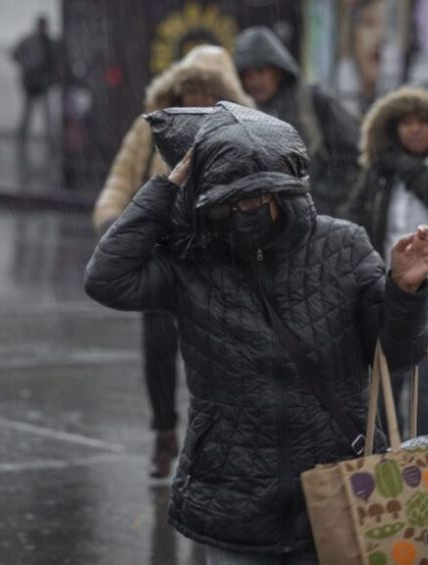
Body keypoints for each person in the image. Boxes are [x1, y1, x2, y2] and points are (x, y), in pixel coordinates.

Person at [84, 102, 428, 562]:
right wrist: (169, 185)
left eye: (256, 198)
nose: (244, 211)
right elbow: (106, 278)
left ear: (284, 188)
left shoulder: (343, 246)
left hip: (337, 489)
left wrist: (403, 289)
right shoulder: (193, 261)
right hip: (232, 498)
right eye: (228, 203)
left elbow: (398, 356)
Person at [91, 45, 253, 479]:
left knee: (219, 355)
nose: (196, 97)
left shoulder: (239, 130)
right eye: (189, 88)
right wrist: (113, 222)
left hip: (217, 259)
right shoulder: (151, 127)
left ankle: (214, 445)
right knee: (159, 351)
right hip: (163, 254)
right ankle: (164, 432)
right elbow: (121, 177)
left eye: (206, 89)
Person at [348, 86, 428, 437]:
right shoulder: (380, 171)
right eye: (405, 123)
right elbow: (356, 214)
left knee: (426, 380)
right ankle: (392, 457)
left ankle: (424, 456)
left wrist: (409, 168)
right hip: (386, 284)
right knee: (387, 379)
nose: (413, 130)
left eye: (422, 122)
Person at [233, 26, 360, 218]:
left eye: (261, 72)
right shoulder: (237, 113)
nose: (255, 82)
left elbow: (353, 156)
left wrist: (322, 198)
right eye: (248, 75)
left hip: (317, 222)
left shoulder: (314, 101)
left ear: (277, 71)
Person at [11, 16, 59, 143]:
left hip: (43, 81)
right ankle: (22, 137)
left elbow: (54, 61)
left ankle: (49, 138)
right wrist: (26, 64)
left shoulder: (49, 43)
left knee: (45, 112)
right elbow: (14, 53)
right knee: (28, 111)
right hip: (31, 81)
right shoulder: (29, 41)